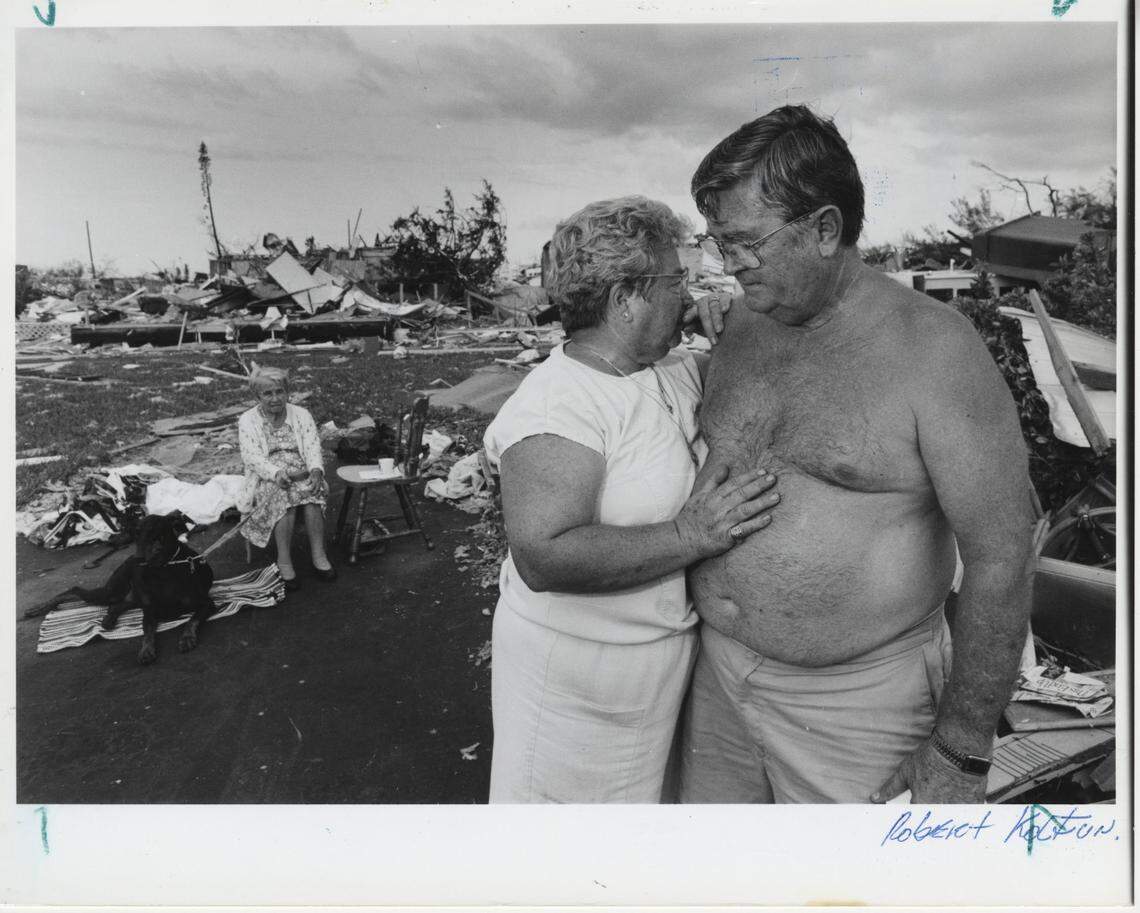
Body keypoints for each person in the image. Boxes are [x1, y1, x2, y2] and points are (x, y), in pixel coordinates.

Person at [679, 105, 1035, 804]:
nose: (731, 265)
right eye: (719, 243)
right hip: (717, 679)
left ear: (825, 229)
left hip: (860, 709)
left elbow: (1003, 552)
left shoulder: (934, 349)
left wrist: (962, 747)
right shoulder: (743, 321)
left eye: (747, 242)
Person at [483, 196, 781, 803]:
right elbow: (543, 555)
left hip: (652, 678)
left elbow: (726, 359)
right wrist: (690, 537)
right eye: (678, 282)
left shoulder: (661, 369)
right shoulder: (557, 405)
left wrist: (721, 317)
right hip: (574, 689)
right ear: (625, 299)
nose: (689, 293)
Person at [237, 366, 336, 589]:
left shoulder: (301, 415)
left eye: (279, 391)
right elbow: (251, 457)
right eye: (267, 393)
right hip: (268, 476)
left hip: (302, 471)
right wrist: (275, 473)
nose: (275, 398)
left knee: (313, 491)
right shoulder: (247, 420)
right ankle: (284, 560)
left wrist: (316, 470)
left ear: (287, 391)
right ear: (257, 396)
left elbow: (312, 447)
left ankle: (318, 555)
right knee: (284, 497)